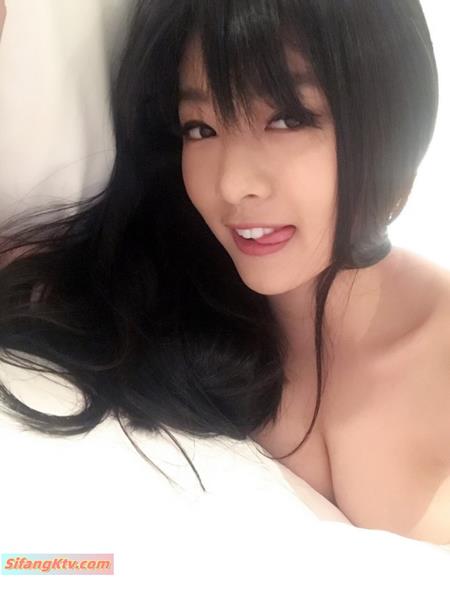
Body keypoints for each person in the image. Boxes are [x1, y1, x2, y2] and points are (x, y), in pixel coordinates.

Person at [0, 0, 448, 552]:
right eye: (200, 128)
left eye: (288, 118)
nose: (232, 184)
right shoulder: (153, 302)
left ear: (393, 115)